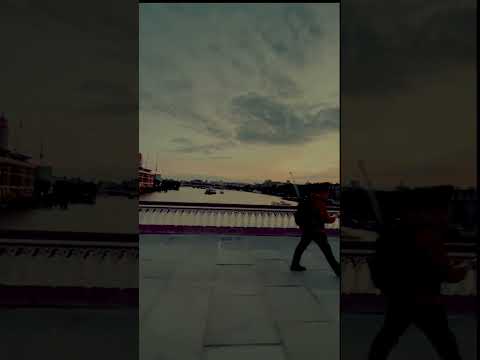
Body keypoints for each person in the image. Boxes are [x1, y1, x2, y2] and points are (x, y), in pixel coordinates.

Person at [368, 187, 467, 360]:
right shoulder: (428, 235)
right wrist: (462, 269)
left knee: (386, 338)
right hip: (426, 299)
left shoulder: (394, 233)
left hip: (399, 297)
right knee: (445, 343)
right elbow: (447, 274)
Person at [290, 182, 341, 276]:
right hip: (318, 231)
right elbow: (326, 219)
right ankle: (338, 270)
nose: (328, 194)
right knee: (328, 252)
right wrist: (334, 217)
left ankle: (294, 264)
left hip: (307, 229)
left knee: (300, 248)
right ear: (323, 192)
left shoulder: (308, 200)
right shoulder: (319, 202)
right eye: (327, 192)